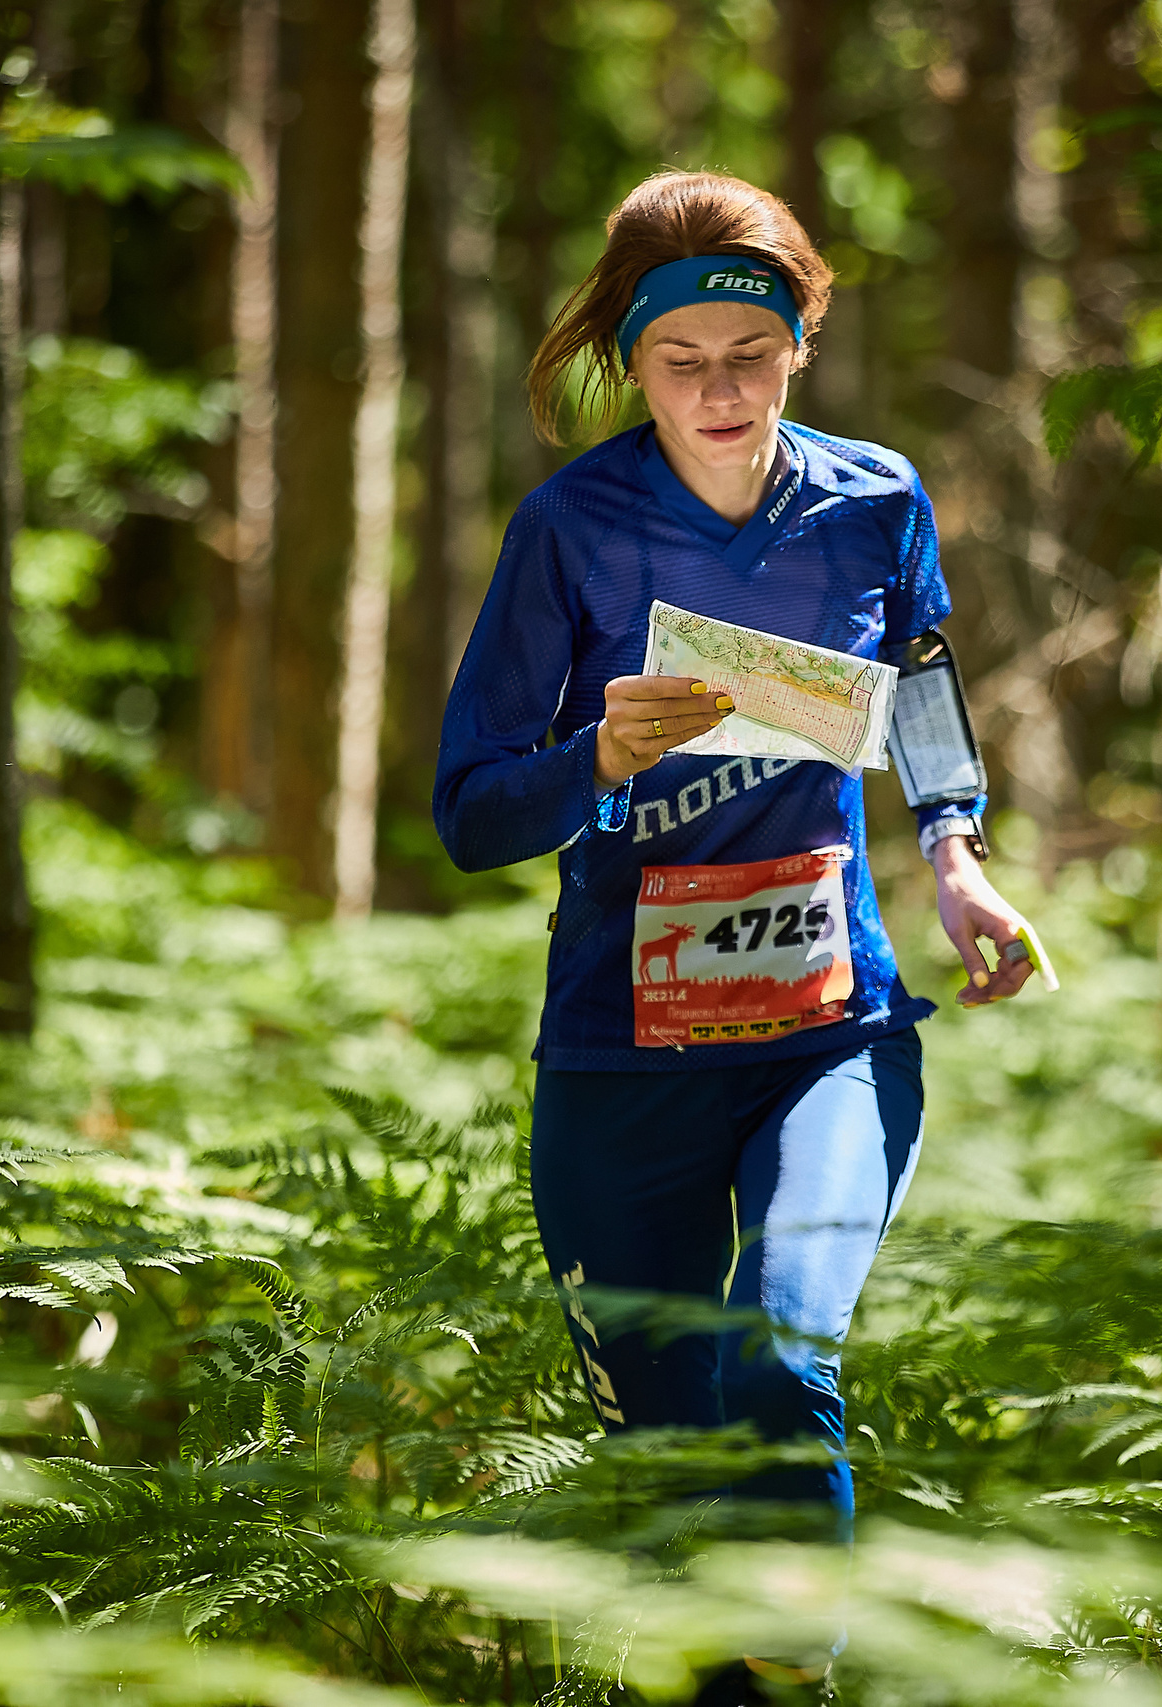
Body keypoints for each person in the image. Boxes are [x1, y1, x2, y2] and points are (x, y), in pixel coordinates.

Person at [434, 169, 1035, 1572]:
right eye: (680, 360)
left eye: (752, 354)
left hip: (827, 1029)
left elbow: (920, 680)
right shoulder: (571, 528)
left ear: (802, 345)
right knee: (669, 1470)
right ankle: (708, 1663)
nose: (720, 390)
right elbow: (471, 815)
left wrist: (956, 851)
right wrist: (595, 756)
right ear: (629, 361)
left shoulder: (875, 499)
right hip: (621, 1050)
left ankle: (796, 1667)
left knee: (779, 1363)